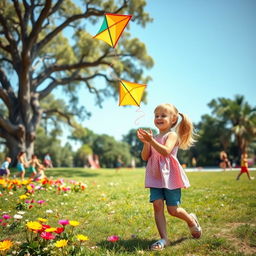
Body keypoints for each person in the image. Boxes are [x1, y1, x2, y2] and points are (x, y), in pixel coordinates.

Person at [137, 103, 202, 251]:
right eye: (156, 115)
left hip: (169, 176)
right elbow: (145, 157)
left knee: (173, 210)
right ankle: (164, 239)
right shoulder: (153, 136)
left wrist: (151, 140)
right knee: (157, 205)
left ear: (173, 120)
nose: (158, 118)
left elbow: (166, 151)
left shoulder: (171, 135)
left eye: (163, 115)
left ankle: (191, 220)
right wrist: (147, 143)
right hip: (155, 176)